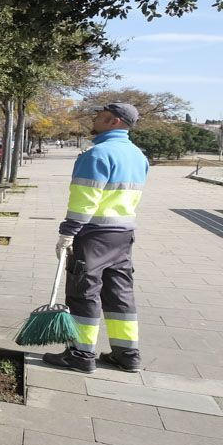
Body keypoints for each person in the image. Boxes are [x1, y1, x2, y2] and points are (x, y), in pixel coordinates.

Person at [45, 102, 149, 374]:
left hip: (93, 236)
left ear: (114, 121)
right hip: (123, 234)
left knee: (83, 293)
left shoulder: (97, 155)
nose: (95, 119)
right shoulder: (138, 156)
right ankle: (127, 353)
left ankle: (80, 354)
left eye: (100, 116)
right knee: (119, 294)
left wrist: (68, 232)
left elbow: (84, 200)